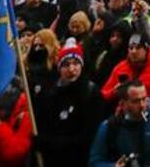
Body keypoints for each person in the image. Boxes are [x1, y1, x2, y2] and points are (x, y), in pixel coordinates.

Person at [34, 38, 105, 166]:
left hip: (79, 159)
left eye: (76, 63)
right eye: (66, 65)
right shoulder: (50, 92)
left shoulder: (90, 92)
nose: (72, 69)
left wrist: (54, 144)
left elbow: (89, 135)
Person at [89, 79, 150, 167]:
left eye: (144, 99)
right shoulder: (109, 127)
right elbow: (95, 161)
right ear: (123, 103)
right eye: (135, 101)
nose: (142, 105)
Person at [101, 33, 150, 117]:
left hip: (147, 119)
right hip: (122, 120)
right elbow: (103, 95)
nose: (134, 51)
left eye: (138, 48)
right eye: (131, 48)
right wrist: (114, 91)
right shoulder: (120, 68)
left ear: (146, 49)